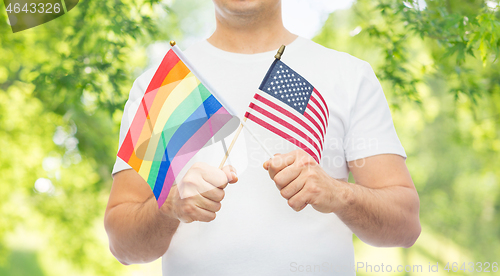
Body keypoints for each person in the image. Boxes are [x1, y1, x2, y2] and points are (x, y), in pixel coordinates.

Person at [104, 0, 421, 275]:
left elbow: (405, 225)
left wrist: (339, 194)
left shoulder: (348, 75)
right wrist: (169, 206)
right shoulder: (163, 87)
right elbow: (123, 245)